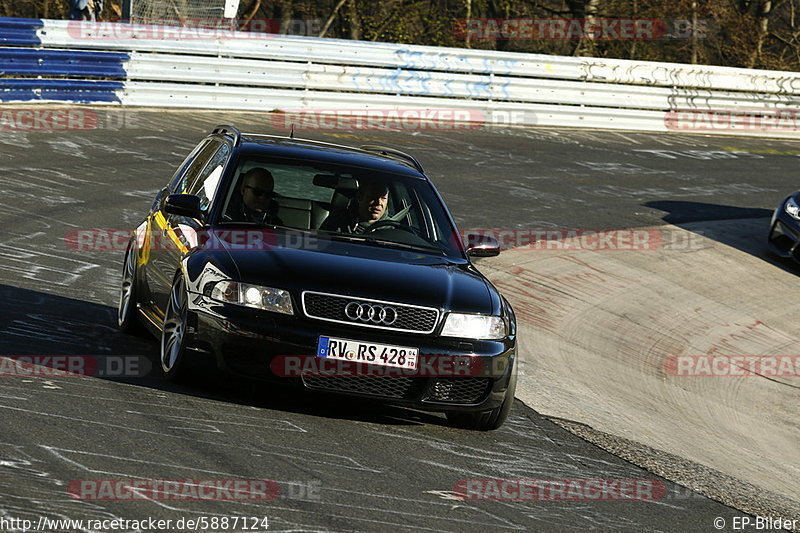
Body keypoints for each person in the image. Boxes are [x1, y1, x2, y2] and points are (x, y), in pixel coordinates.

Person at [321, 180, 390, 233]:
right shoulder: (337, 221)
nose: (379, 202)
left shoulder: (391, 229)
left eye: (383, 198)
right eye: (373, 197)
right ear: (360, 197)